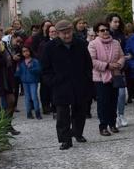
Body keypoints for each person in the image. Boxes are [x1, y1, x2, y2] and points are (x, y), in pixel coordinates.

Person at [41, 20, 93, 150]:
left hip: (79, 83)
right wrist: (53, 81)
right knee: (62, 114)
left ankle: (77, 133)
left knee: (80, 111)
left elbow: (88, 63)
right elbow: (45, 69)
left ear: (72, 31)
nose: (66, 35)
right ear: (57, 33)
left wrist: (87, 79)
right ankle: (65, 140)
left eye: (68, 32)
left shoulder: (80, 44)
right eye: (63, 33)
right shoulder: (50, 47)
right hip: (60, 85)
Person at [89, 21, 125, 136]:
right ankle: (103, 126)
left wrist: (119, 64)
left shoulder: (115, 42)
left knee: (113, 101)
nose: (105, 32)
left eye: (106, 29)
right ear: (97, 32)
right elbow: (92, 61)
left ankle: (112, 124)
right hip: (100, 78)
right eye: (102, 30)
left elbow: (122, 56)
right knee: (103, 102)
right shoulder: (93, 44)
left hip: (114, 75)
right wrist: (107, 65)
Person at [106, 13, 129, 127]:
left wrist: (126, 57)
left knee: (121, 94)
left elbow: (124, 50)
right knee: (110, 94)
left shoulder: (121, 35)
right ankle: (112, 116)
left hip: (119, 68)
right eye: (115, 21)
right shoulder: (104, 34)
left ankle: (121, 114)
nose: (117, 24)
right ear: (109, 22)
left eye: (118, 22)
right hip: (107, 68)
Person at [15, 46, 42, 119]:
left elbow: (39, 70)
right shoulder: (21, 62)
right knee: (27, 98)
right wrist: (17, 71)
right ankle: (29, 113)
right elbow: (18, 74)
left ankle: (37, 113)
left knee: (34, 97)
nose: (25, 53)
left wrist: (31, 68)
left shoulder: (35, 61)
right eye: (23, 51)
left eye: (27, 51)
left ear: (30, 51)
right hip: (25, 82)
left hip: (33, 81)